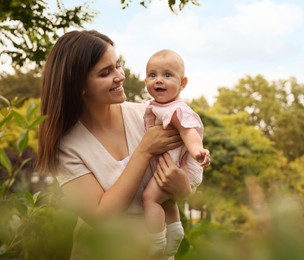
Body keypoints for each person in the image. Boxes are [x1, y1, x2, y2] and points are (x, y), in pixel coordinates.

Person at [35, 30, 194, 259]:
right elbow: (100, 216)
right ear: (79, 85)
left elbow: (183, 166)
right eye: (105, 72)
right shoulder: (66, 147)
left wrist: (184, 189)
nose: (120, 76)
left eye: (117, 65)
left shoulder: (148, 116)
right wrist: (144, 150)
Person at [142, 49, 210, 258]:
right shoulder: (158, 106)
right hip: (169, 165)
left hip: (173, 167)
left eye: (167, 75)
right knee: (167, 201)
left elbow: (188, 132)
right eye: (152, 75)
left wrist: (197, 151)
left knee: (150, 199)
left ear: (183, 83)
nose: (158, 80)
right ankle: (175, 230)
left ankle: (156, 241)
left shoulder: (176, 110)